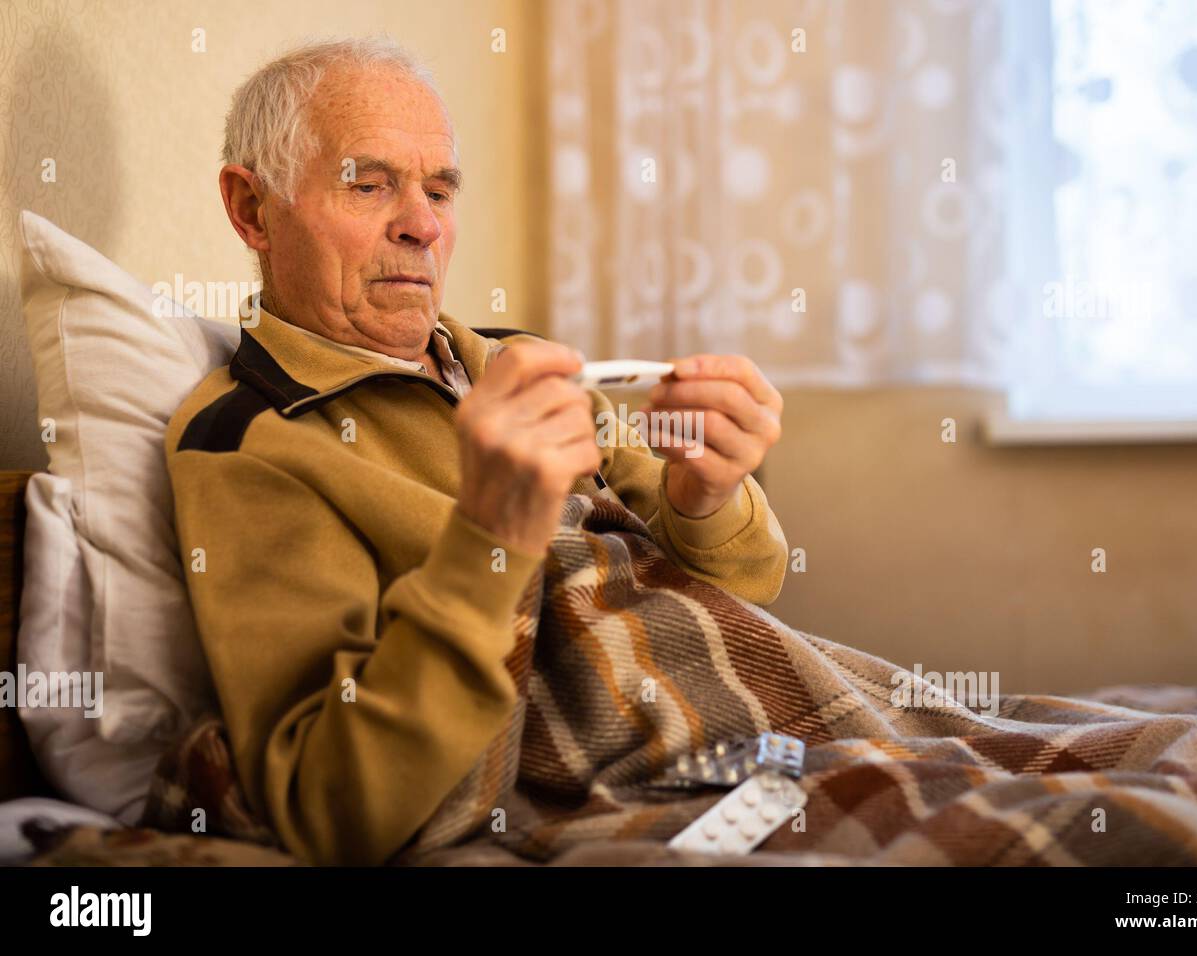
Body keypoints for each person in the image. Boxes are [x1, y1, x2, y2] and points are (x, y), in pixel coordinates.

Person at [165, 37, 788, 865]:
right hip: (601, 787)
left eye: (440, 189)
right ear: (253, 211)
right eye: (368, 182)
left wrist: (705, 500)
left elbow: (739, 605)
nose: (422, 226)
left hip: (751, 739)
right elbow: (336, 803)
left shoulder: (520, 360)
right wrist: (493, 534)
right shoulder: (251, 442)